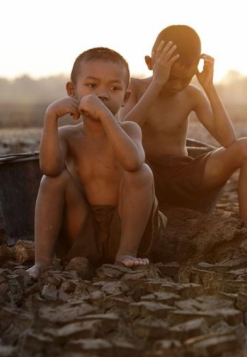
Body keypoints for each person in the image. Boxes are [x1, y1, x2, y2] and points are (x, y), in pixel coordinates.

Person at [27, 47, 166, 279]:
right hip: (82, 229)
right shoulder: (67, 136)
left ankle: (126, 254)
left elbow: (132, 162)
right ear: (72, 91)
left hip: (126, 227)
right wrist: (50, 117)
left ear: (125, 98)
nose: (102, 94)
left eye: (114, 88)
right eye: (92, 86)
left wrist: (104, 116)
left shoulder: (130, 129)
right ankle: (42, 261)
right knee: (52, 180)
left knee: (142, 173)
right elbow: (49, 168)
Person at [119, 25, 247, 233]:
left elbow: (228, 140)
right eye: (171, 77)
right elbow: (125, 132)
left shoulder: (192, 95)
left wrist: (209, 87)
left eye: (185, 79)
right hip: (146, 175)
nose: (177, 86)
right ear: (151, 64)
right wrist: (157, 83)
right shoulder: (135, 88)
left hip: (185, 175)